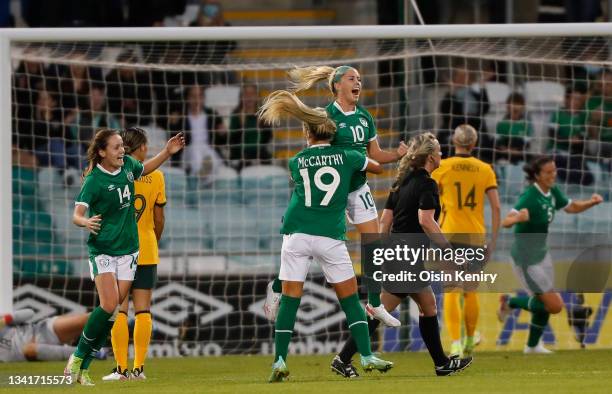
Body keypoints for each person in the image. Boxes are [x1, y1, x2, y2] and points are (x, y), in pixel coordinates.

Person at [258, 90, 393, 382]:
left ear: (307, 133)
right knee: (350, 301)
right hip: (330, 236)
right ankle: (367, 355)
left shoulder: (297, 161)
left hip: (296, 233)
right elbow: (378, 166)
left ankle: (279, 361)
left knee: (291, 301)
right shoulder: (349, 155)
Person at [265, 65, 408, 328]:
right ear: (337, 85)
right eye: (352, 78)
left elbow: (375, 154)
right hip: (333, 191)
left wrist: (398, 155)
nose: (359, 83)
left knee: (373, 245)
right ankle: (276, 287)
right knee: (306, 248)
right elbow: (315, 154)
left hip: (358, 188)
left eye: (361, 79)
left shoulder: (365, 117)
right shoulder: (326, 115)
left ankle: (375, 304)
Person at [331, 132, 473, 378]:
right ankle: (343, 358)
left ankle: (441, 363)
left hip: (399, 252)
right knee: (382, 310)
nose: (441, 154)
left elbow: (385, 221)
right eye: (439, 150)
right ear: (430, 157)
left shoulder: (402, 181)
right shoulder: (427, 184)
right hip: (407, 255)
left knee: (426, 305)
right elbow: (426, 221)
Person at [64, 128, 184, 385]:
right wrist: (84, 222)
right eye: (116, 147)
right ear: (102, 152)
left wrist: (167, 151)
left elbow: (146, 168)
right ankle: (78, 356)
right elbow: (76, 214)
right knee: (111, 306)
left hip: (130, 251)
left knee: (112, 312)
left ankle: (85, 368)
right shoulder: (94, 180)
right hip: (104, 248)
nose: (122, 151)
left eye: (122, 146)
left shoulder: (129, 166)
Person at [498, 156, 603, 353]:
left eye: (554, 171)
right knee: (554, 306)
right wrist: (518, 217)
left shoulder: (552, 192)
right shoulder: (529, 196)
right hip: (526, 260)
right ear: (537, 176)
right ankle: (510, 302)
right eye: (548, 172)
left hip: (542, 255)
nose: (552, 175)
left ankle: (532, 346)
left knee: (543, 302)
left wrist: (591, 202)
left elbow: (570, 207)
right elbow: (506, 221)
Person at [102, 127, 166, 381]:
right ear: (140, 148)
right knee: (144, 310)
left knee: (120, 309)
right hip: (147, 249)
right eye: (145, 145)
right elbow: (159, 218)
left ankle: (120, 369)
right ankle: (139, 369)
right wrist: (151, 239)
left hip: (120, 249)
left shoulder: (115, 175)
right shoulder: (157, 176)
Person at [431, 124, 501, 357]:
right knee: (470, 291)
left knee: (452, 290)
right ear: (474, 143)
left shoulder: (443, 167)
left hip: (448, 235)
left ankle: (455, 343)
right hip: (475, 236)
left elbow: (428, 198)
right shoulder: (485, 169)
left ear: (454, 141)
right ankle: (471, 340)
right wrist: (493, 240)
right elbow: (496, 206)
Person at [0, 310, 105, 363]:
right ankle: (93, 353)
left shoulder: (3, 322)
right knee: (29, 349)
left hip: (42, 331)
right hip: (31, 352)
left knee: (89, 319)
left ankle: (120, 316)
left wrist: (6, 319)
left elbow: (29, 312)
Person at [228, 84, 272, 170]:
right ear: (241, 97)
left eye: (252, 94)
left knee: (265, 159)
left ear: (256, 96)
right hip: (241, 153)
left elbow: (268, 139)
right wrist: (241, 125)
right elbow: (232, 141)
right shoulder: (236, 115)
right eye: (246, 94)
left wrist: (261, 126)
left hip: (259, 153)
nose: (249, 97)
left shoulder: (263, 115)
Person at [495, 92, 533, 164]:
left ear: (522, 108)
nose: (514, 111)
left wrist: (517, 151)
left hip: (520, 154)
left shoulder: (526, 124)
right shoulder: (502, 124)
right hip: (505, 154)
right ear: (507, 107)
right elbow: (498, 144)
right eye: (512, 108)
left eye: (516, 110)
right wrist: (507, 150)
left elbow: (527, 145)